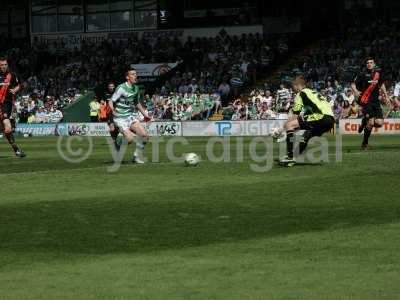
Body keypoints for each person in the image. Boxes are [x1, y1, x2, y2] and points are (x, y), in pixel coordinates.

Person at [279, 75, 335, 166]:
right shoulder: (313, 92)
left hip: (321, 117)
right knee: (306, 135)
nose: (292, 89)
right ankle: (292, 158)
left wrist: (282, 128)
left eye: (293, 87)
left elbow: (295, 116)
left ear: (297, 85)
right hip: (331, 120)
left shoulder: (301, 93)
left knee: (290, 125)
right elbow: (309, 112)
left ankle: (289, 156)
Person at [109, 68, 151, 164]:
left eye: (136, 74)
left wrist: (146, 115)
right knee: (130, 139)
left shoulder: (136, 88)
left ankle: (136, 157)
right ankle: (117, 143)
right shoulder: (121, 88)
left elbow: (137, 103)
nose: (135, 76)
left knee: (145, 136)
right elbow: (111, 101)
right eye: (133, 74)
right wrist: (112, 110)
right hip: (120, 118)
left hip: (130, 117)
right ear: (127, 77)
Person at [351, 57, 390, 150]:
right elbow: (352, 83)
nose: (369, 64)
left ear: (374, 63)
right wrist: (356, 91)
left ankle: (364, 121)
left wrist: (386, 96)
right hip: (365, 100)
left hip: (375, 101)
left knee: (379, 123)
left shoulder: (378, 72)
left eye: (371, 62)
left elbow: (381, 84)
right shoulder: (362, 74)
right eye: (367, 63)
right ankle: (364, 144)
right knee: (371, 122)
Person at [0, 56, 25, 157]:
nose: (4, 66)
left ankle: (16, 149)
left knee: (8, 129)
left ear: (8, 65)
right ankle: (17, 150)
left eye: (5, 64)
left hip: (6, 104)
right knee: (7, 128)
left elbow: (21, 85)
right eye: (1, 65)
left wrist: (15, 90)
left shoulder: (12, 75)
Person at [100, 82, 120, 150]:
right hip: (109, 113)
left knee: (117, 127)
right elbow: (102, 101)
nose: (111, 87)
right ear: (108, 87)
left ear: (114, 87)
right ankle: (114, 140)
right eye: (110, 86)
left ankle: (116, 140)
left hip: (117, 112)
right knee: (112, 129)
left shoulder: (117, 93)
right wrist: (102, 102)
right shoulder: (105, 94)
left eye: (112, 86)